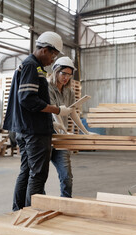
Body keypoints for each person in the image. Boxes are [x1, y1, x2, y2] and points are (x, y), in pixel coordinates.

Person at [3, 31, 74, 211]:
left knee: (26, 171)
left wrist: (53, 121)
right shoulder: (31, 66)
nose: (53, 59)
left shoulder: (34, 67)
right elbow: (28, 99)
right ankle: (31, 213)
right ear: (44, 49)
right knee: (38, 175)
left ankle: (19, 211)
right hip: (34, 130)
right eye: (53, 54)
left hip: (28, 128)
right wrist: (57, 110)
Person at [48, 56, 95, 198]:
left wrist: (85, 132)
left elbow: (73, 111)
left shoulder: (69, 92)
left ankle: (66, 202)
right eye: (63, 74)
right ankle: (37, 204)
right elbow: (53, 112)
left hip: (62, 138)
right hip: (46, 136)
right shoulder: (47, 88)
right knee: (39, 176)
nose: (66, 78)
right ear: (56, 71)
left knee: (66, 176)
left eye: (69, 75)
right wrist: (62, 129)